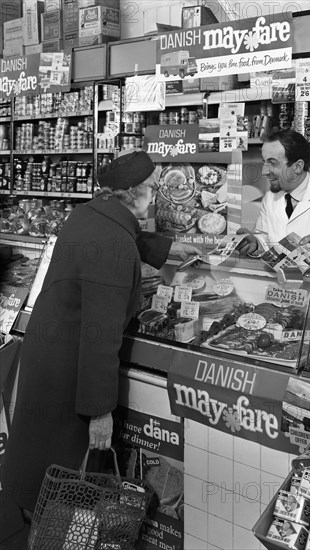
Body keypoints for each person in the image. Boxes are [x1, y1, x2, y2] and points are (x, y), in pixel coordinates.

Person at [0, 151, 199, 544]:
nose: (155, 195)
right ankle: (58, 536)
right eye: (152, 188)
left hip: (47, 353)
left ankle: (33, 524)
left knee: (41, 460)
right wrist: (99, 411)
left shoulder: (88, 213)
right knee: (69, 472)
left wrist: (167, 251)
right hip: (72, 368)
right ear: (136, 193)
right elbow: (99, 336)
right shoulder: (114, 246)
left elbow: (122, 234)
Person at [237, 129, 310, 259]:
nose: (264, 171)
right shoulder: (270, 197)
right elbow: (266, 236)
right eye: (264, 162)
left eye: (273, 163)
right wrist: (257, 243)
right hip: (277, 277)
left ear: (297, 166)